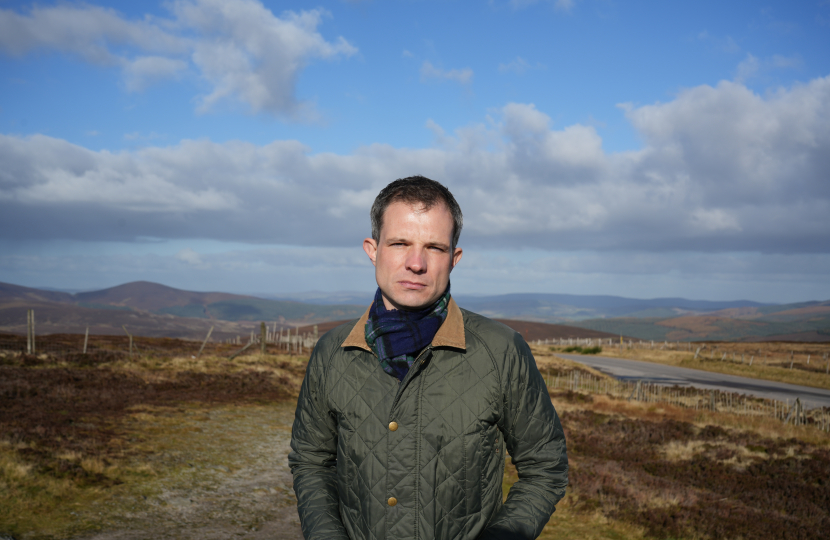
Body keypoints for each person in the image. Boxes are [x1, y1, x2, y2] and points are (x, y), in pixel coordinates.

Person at [289, 176, 568, 540]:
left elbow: (545, 466)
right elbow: (311, 461)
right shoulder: (332, 351)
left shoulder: (501, 351)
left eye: (434, 247)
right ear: (373, 249)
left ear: (455, 258)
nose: (416, 263)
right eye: (400, 243)